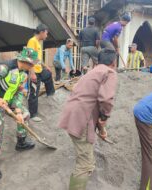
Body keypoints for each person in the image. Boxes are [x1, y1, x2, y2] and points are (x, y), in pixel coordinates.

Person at [58, 48, 118, 190]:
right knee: (84, 164)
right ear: (114, 62)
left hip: (71, 114)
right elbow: (106, 99)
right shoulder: (109, 72)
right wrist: (104, 117)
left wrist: (100, 122)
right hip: (82, 118)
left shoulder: (92, 71)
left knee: (86, 160)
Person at [0, 47, 38, 180]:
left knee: (25, 115)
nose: (33, 66)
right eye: (32, 64)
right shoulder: (4, 69)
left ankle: (21, 142)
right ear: (25, 61)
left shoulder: (23, 74)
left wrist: (18, 110)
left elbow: (18, 92)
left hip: (7, 100)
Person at [27, 24, 55, 122]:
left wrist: (46, 66)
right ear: (42, 32)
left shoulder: (38, 43)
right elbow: (30, 58)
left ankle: (50, 93)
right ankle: (33, 114)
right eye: (46, 34)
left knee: (48, 75)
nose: (46, 36)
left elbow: (37, 59)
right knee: (34, 92)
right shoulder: (32, 41)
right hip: (34, 71)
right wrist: (32, 73)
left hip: (39, 69)